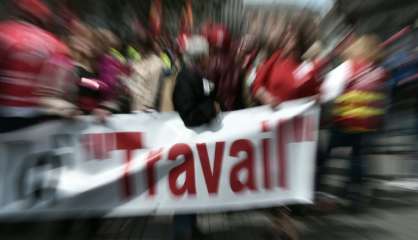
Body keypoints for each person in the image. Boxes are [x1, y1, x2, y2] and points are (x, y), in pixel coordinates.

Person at [317, 35, 387, 210]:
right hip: (367, 125)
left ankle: (322, 194)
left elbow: (327, 92)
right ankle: (356, 197)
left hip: (345, 121)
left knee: (329, 158)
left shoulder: (347, 67)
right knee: (357, 159)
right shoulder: (378, 71)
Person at [0, 0, 77, 133]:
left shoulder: (4, 33)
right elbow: (64, 87)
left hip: (6, 118)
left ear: (19, 11)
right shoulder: (56, 44)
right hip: (38, 123)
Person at [173, 35, 220, 127]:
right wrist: (212, 108)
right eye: (207, 54)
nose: (209, 57)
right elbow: (189, 116)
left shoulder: (200, 73)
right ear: (201, 57)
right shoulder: (185, 80)